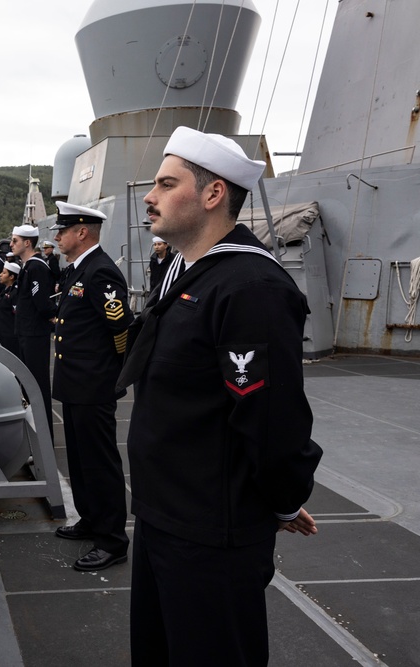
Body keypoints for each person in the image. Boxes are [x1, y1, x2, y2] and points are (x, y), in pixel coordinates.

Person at [121, 126, 323, 666]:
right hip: (165, 512)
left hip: (211, 532)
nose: (149, 195)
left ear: (212, 195)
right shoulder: (186, 271)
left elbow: (270, 418)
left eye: (167, 183)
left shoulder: (249, 286)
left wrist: (282, 497)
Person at [50, 201, 133, 572]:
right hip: (75, 384)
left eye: (62, 230)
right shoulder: (77, 271)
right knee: (81, 462)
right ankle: (91, 520)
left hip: (93, 384)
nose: (57, 236)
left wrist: (111, 375)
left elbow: (120, 329)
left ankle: (113, 540)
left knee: (100, 464)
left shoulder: (101, 273)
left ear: (82, 232)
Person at [11, 223, 57, 438]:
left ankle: (43, 434)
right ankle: (34, 431)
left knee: (37, 385)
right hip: (26, 332)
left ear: (27, 243)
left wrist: (53, 316)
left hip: (34, 334)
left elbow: (41, 302)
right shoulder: (28, 267)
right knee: (27, 384)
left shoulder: (36, 267)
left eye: (15, 241)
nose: (11, 244)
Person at [0, 261, 21, 357]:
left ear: (11, 277)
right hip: (3, 332)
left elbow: (16, 314)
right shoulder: (6, 290)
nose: (0, 275)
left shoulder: (15, 293)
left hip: (11, 335)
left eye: (4, 273)